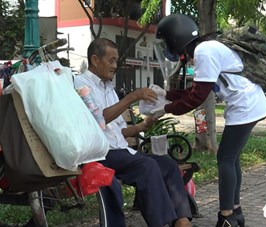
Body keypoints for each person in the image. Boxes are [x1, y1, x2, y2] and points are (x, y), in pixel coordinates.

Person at [152, 14, 266, 227]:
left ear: (176, 40)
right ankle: (235, 213)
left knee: (225, 159)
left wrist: (165, 109)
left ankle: (226, 217)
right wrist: (166, 95)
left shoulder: (204, 52)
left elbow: (197, 97)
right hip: (248, 104)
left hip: (246, 106)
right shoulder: (206, 49)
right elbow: (197, 90)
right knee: (231, 159)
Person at [74, 38, 194, 227]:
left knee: (167, 164)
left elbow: (120, 131)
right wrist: (133, 96)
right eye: (111, 60)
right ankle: (160, 223)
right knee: (147, 166)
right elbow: (100, 120)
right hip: (100, 153)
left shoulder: (109, 88)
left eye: (116, 61)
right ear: (95, 60)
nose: (115, 66)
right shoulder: (81, 85)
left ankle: (182, 220)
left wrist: (141, 126)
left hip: (121, 152)